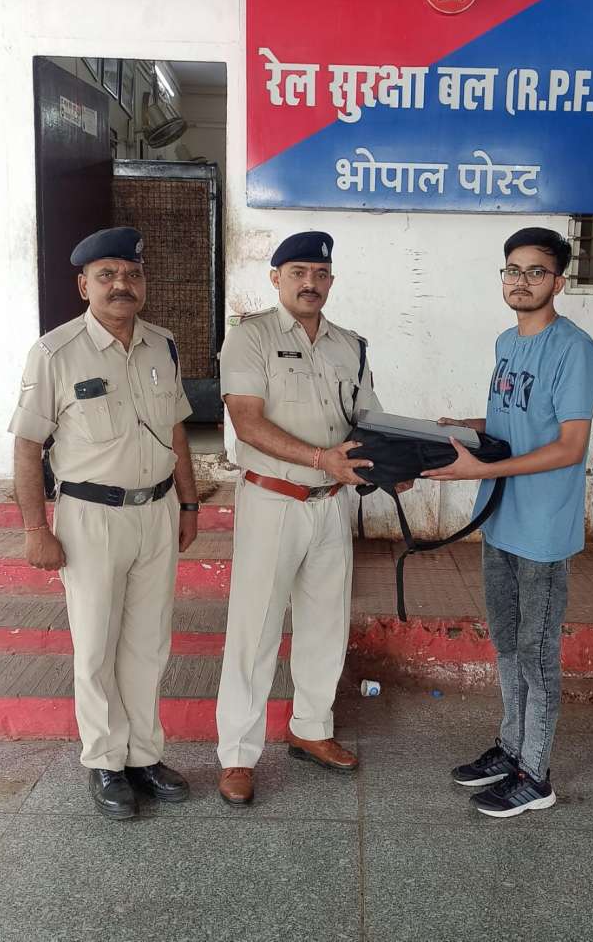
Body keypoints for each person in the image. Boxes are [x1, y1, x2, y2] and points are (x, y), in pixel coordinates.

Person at [9, 226, 199, 820]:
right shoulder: (55, 353)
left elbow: (175, 429)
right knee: (95, 646)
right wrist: (35, 529)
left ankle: (143, 756)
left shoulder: (163, 344)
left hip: (157, 513)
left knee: (148, 644)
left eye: (133, 274)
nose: (122, 285)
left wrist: (190, 503)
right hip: (90, 518)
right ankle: (104, 761)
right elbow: (26, 446)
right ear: (83, 285)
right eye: (108, 275)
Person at [424, 227, 593, 818]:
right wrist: (463, 428)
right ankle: (511, 747)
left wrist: (480, 466)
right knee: (506, 642)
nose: (521, 281)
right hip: (501, 516)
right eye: (512, 270)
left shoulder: (574, 349)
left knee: (536, 651)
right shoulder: (506, 342)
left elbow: (569, 446)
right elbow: (512, 424)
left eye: (535, 271)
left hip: (542, 528)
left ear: (559, 282)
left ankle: (535, 774)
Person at [216, 230, 382, 807]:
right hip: (273, 502)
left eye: (320, 273)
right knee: (255, 629)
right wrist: (319, 459)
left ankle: (311, 728)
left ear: (331, 280)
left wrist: (394, 464)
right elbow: (247, 422)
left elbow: (367, 421)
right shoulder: (250, 337)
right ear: (276, 278)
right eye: (298, 273)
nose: (310, 283)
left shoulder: (351, 345)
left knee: (326, 625)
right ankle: (238, 755)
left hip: (331, 505)